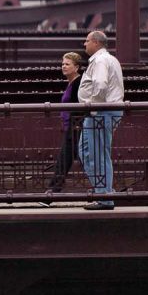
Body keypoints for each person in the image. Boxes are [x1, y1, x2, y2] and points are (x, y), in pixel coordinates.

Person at [78, 30, 124, 210]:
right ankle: (104, 192)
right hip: (105, 111)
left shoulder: (100, 60)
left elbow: (101, 84)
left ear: (96, 42)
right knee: (87, 150)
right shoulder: (109, 59)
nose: (84, 44)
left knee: (96, 153)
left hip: (101, 112)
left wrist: (93, 106)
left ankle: (105, 196)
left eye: (87, 41)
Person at [49, 51, 87, 193]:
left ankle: (53, 190)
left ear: (76, 67)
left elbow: (79, 105)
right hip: (71, 126)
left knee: (65, 159)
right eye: (63, 64)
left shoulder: (78, 83)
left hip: (76, 127)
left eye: (67, 64)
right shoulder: (72, 83)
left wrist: (75, 125)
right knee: (71, 159)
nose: (63, 66)